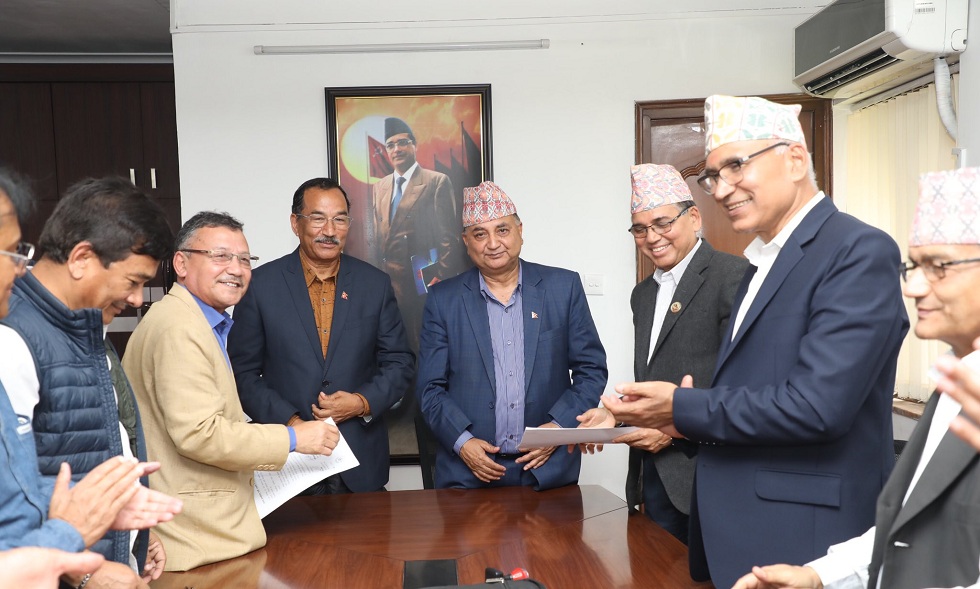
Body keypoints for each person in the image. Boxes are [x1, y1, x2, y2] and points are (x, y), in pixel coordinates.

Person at [600, 95, 909, 587]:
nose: (722, 189)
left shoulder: (855, 250)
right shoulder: (761, 262)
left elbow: (818, 407)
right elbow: (752, 392)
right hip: (743, 531)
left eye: (736, 166)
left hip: (806, 538)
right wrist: (676, 418)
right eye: (712, 176)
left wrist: (683, 408)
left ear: (795, 159)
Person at [733, 166, 980, 589]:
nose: (913, 288)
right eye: (914, 266)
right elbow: (905, 530)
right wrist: (817, 576)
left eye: (939, 267)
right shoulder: (956, 379)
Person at [123, 211, 341, 571]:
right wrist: (292, 439)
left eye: (244, 259)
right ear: (181, 263)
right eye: (221, 256)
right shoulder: (179, 327)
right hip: (195, 541)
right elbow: (200, 434)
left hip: (209, 532)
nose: (236, 269)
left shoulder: (198, 321)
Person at [0, 169, 182, 588]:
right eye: (133, 282)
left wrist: (133, 534)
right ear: (82, 258)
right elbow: (13, 497)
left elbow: (98, 441)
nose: (136, 299)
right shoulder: (14, 339)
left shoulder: (86, 324)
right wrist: (84, 571)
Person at [579, 164, 748, 544]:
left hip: (707, 475)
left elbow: (742, 384)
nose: (651, 237)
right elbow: (656, 377)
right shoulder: (643, 294)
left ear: (694, 218)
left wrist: (673, 433)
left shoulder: (733, 276)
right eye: (640, 229)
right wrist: (615, 415)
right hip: (653, 477)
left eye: (662, 223)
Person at [418, 181, 607, 490]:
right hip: (468, 474)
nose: (493, 243)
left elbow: (591, 370)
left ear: (520, 230)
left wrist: (558, 429)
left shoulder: (563, 288)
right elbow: (429, 389)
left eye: (502, 230)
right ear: (466, 241)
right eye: (480, 234)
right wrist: (462, 443)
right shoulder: (443, 300)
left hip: (547, 469)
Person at [229, 178, 414, 494]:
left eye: (339, 219)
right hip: (288, 462)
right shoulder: (260, 286)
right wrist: (293, 426)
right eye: (318, 218)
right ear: (295, 223)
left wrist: (360, 402)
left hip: (360, 463)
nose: (330, 230)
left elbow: (400, 363)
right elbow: (242, 373)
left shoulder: (374, 284)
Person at [372, 117, 466, 341]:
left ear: (414, 145)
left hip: (420, 286)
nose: (396, 149)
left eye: (402, 142)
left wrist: (441, 278)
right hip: (386, 287)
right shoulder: (379, 187)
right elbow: (378, 238)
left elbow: (448, 238)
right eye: (390, 145)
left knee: (419, 346)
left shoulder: (436, 181)